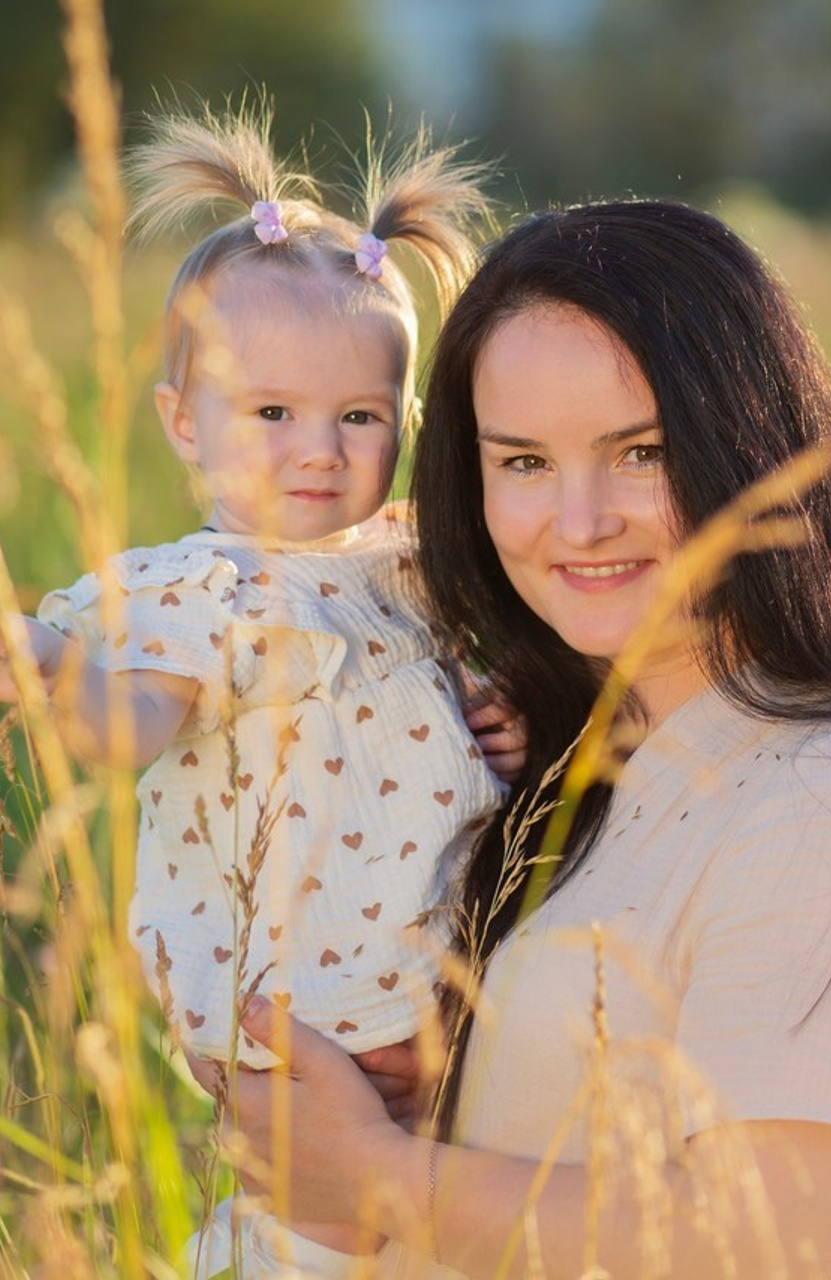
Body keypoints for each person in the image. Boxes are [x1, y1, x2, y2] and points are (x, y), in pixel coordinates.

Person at [187, 199, 831, 1277]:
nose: (581, 518)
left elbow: (768, 1242)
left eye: (639, 450)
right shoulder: (537, 753)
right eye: (522, 462)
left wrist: (374, 1173)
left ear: (746, 442)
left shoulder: (828, 791)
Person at [0, 107, 526, 1276]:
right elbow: (128, 726)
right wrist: (57, 674)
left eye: (359, 417)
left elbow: (472, 713)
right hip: (304, 1020)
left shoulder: (411, 568)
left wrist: (505, 717)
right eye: (271, 413)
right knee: (312, 1237)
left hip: (445, 1001)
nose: (318, 451)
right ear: (184, 423)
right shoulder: (203, 592)